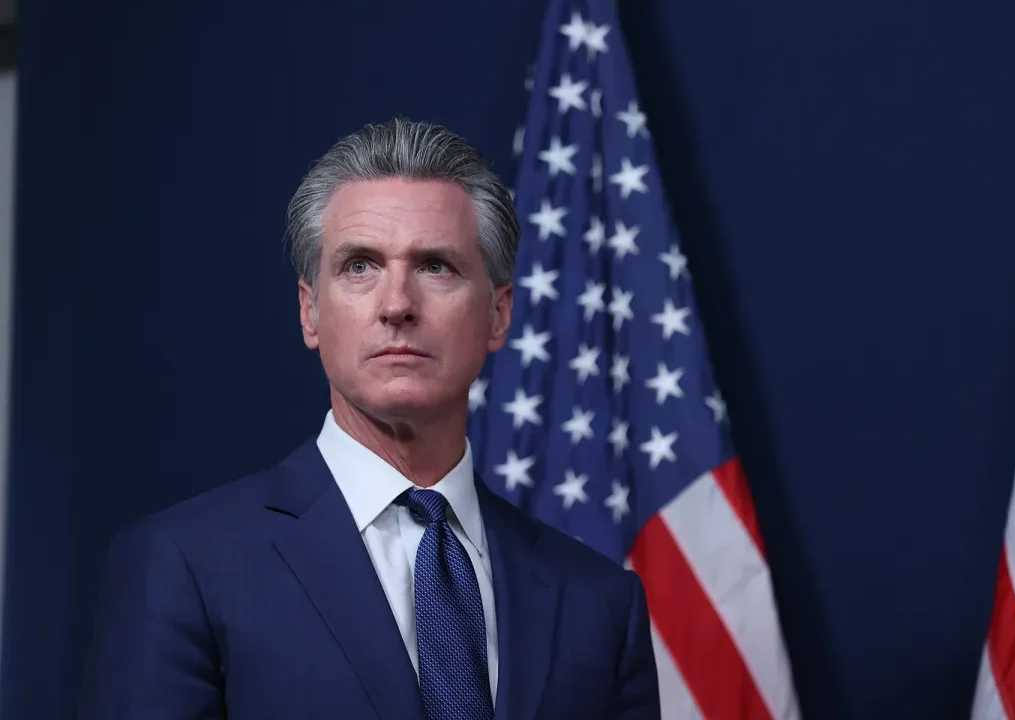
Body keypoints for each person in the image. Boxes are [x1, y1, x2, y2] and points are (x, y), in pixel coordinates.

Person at [77, 117, 660, 720]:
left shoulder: (600, 603)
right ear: (310, 313)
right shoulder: (183, 565)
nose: (397, 304)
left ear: (498, 314)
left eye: (436, 265)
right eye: (360, 266)